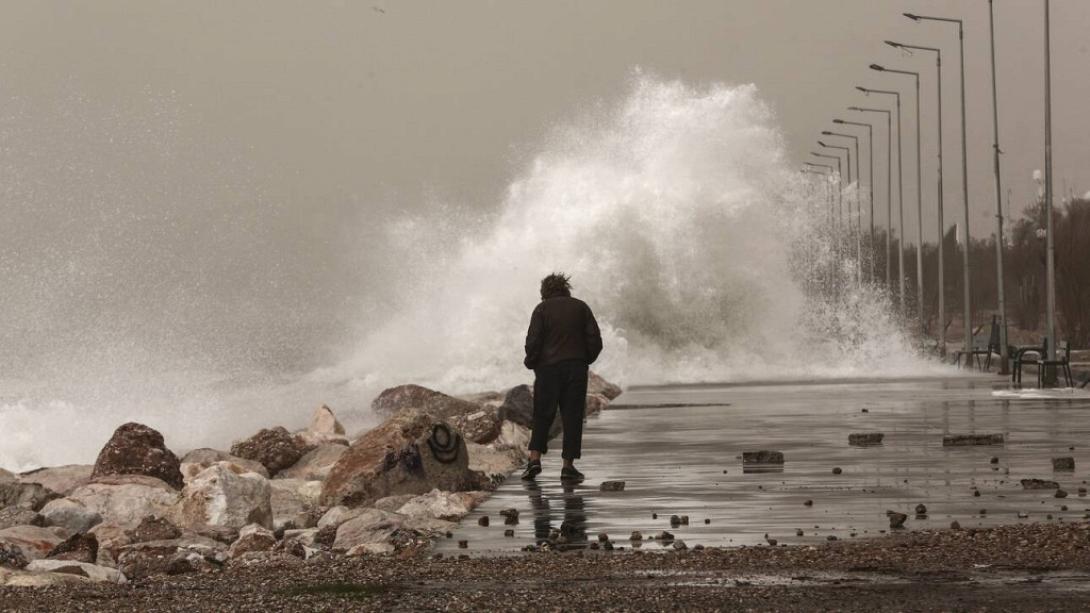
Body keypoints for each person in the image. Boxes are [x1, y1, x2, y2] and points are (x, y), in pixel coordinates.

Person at [520, 272, 603, 482]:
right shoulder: (581, 307)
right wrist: (584, 360)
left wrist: (531, 361)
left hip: (547, 370)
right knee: (573, 416)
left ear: (544, 292)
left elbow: (533, 341)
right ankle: (568, 467)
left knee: (542, 414)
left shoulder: (541, 309)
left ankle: (534, 459)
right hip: (575, 368)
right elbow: (595, 340)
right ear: (565, 289)